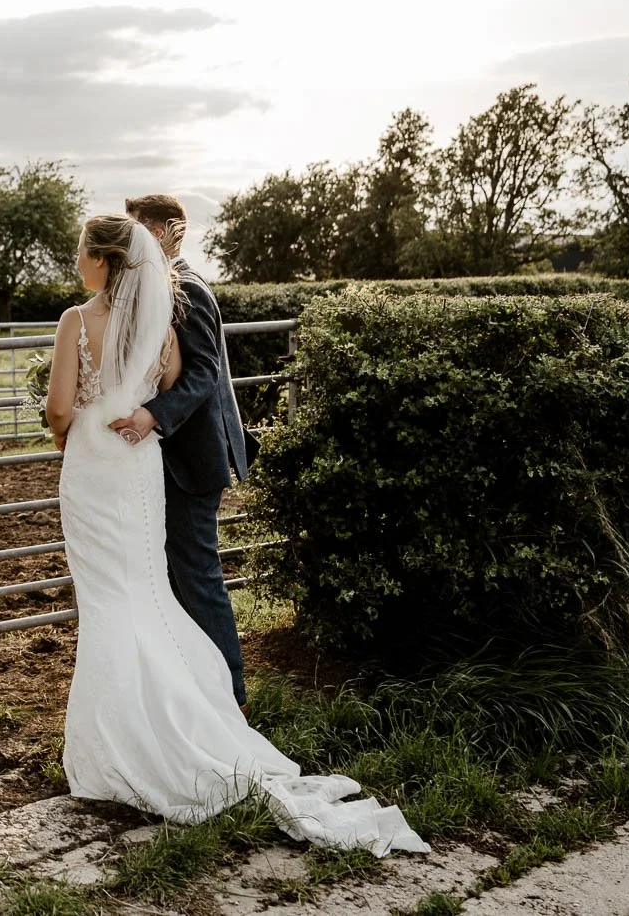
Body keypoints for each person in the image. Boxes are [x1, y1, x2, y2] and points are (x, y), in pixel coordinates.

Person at [45, 213, 427, 855]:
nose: (77, 262)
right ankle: (187, 717)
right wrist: (134, 408)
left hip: (94, 463)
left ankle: (126, 741)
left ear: (104, 261)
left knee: (116, 599)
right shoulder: (157, 320)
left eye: (83, 253)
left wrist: (73, 433)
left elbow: (59, 409)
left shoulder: (74, 321)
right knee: (146, 593)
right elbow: (168, 380)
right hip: (139, 465)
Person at [109, 193, 253, 709]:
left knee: (197, 576)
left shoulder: (186, 288)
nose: (131, 245)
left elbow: (203, 373)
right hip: (166, 460)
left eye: (139, 232)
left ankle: (232, 697)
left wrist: (153, 415)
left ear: (169, 230)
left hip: (192, 459)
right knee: (174, 577)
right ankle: (201, 693)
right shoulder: (157, 288)